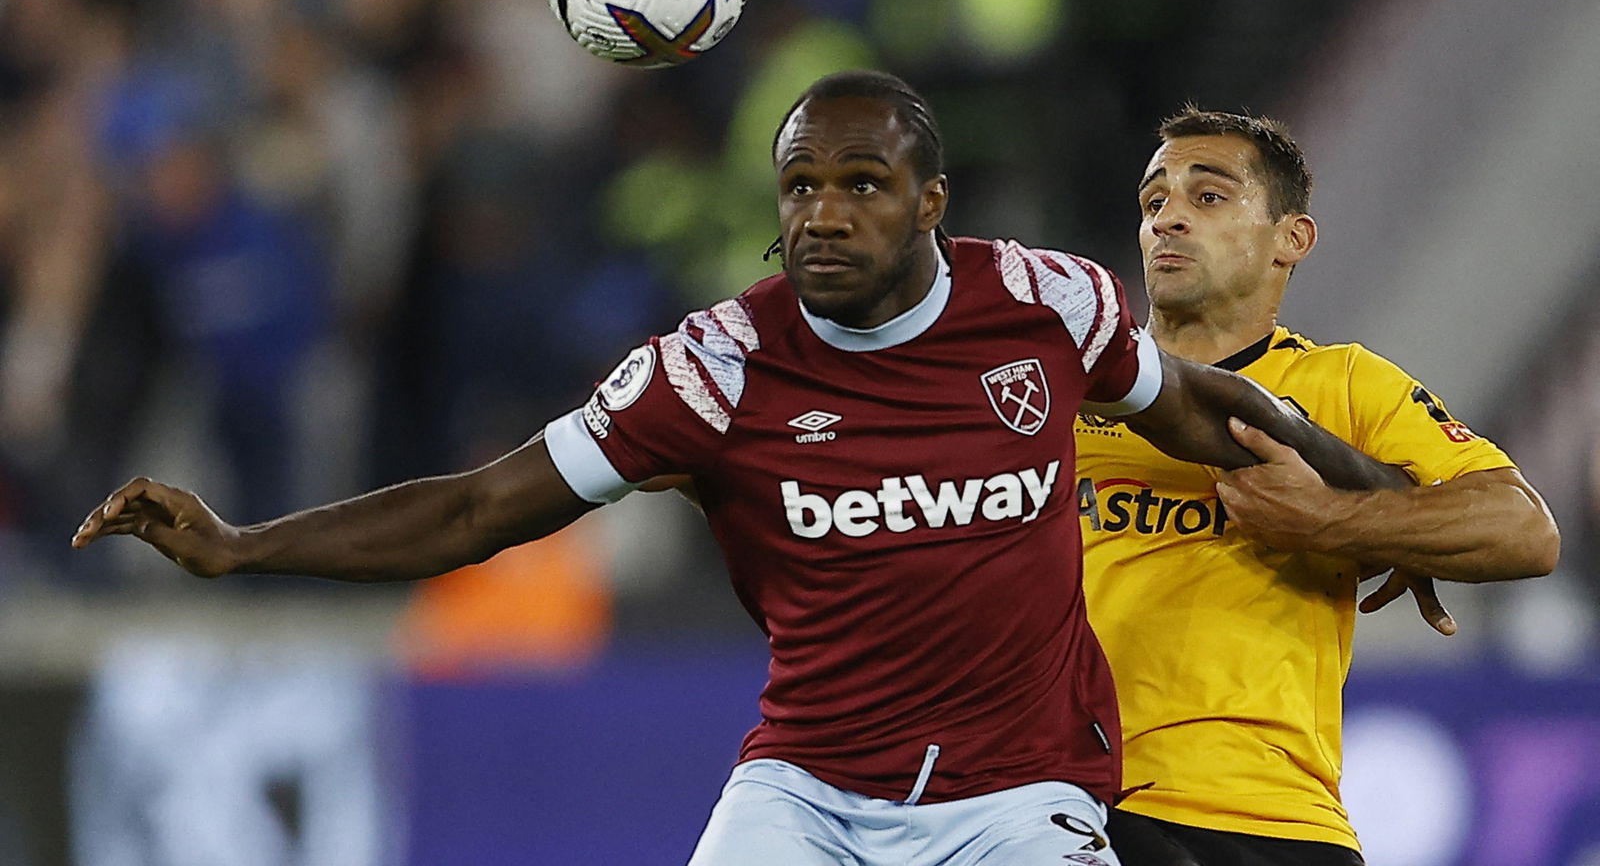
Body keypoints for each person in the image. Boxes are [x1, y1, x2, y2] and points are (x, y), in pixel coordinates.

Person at [76, 71, 1417, 866]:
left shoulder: (1042, 308)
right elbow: (484, 505)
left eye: (861, 186)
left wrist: (1377, 508)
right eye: (801, 188)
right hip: (810, 795)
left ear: (929, 205)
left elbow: (1197, 408)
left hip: (1021, 798)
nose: (824, 215)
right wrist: (247, 545)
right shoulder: (713, 369)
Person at [1076, 107, 1560, 866]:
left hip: (1263, 817)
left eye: (1207, 197)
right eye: (1153, 200)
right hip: (1061, 808)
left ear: (1290, 239)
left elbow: (1524, 531)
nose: (1168, 218)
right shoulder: (1064, 393)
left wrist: (1335, 522)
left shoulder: (1341, 384)